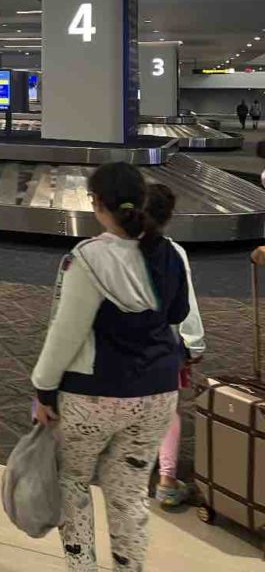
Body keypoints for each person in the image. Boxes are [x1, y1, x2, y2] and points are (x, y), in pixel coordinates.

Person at [32, 162, 189, 572]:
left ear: (97, 204)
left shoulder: (88, 258)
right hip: (157, 394)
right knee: (131, 493)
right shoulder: (169, 252)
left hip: (93, 395)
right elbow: (179, 312)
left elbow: (65, 334)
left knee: (73, 483)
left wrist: (43, 390)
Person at [143, 185, 206, 509]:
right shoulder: (173, 253)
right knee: (167, 407)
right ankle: (167, 480)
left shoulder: (109, 250)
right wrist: (194, 343)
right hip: (164, 346)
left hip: (121, 349)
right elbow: (186, 306)